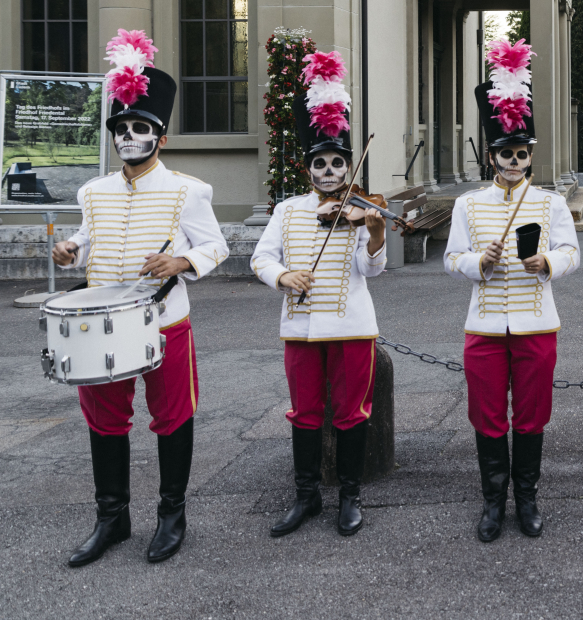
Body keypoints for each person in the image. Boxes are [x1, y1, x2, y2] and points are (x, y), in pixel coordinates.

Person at [53, 30, 229, 566]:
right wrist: (70, 250)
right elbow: (89, 240)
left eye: (140, 128)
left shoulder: (188, 190)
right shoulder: (93, 191)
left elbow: (217, 246)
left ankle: (171, 515)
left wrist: (183, 261)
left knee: (172, 416)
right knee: (105, 420)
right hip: (100, 321)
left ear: (160, 137)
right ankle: (113, 517)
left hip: (164, 321)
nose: (129, 136)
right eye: (122, 128)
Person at [444, 38, 580, 542]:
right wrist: (478, 261)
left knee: (530, 416)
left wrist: (547, 261)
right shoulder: (469, 205)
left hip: (536, 323)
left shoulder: (550, 203)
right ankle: (492, 501)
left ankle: (527, 498)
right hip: (483, 325)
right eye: (506, 152)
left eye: (523, 153)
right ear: (493, 156)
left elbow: (572, 252)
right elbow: (451, 258)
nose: (516, 161)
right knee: (487, 418)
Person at [250, 49, 386, 538]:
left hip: (352, 327)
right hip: (300, 326)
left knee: (352, 412)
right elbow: (260, 258)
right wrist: (283, 277)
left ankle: (349, 495)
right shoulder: (289, 211)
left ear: (348, 166)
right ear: (309, 170)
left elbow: (371, 269)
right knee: (304, 412)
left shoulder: (362, 209)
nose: (330, 172)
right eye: (321, 164)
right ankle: (306, 495)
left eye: (337, 163)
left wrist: (374, 232)